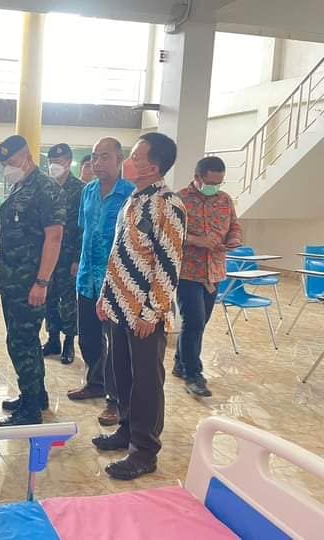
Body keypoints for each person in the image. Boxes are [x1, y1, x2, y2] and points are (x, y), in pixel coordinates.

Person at [93, 132, 186, 481]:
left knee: (146, 382)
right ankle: (127, 429)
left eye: (135, 156)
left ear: (153, 167)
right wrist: (106, 296)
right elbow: (118, 254)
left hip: (145, 314)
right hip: (119, 307)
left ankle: (144, 451)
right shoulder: (133, 199)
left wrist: (152, 312)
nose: (129, 162)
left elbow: (169, 265)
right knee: (122, 374)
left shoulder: (168, 205)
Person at [0, 135, 65, 427]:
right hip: (13, 281)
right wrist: (1, 274)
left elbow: (54, 236)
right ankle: (35, 395)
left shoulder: (44, 188)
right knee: (25, 342)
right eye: (4, 164)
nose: (7, 168)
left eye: (11, 161)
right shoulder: (20, 186)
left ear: (26, 156)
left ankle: (30, 411)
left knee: (21, 342)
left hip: (30, 283)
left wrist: (42, 282)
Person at [67, 138, 135, 429]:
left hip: (115, 283)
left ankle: (116, 401)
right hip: (87, 279)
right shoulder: (88, 191)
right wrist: (76, 263)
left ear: (119, 160)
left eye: (105, 157)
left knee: (116, 346)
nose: (98, 163)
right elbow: (83, 231)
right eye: (94, 157)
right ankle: (95, 383)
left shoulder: (130, 194)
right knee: (88, 337)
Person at [174, 156, 242, 397]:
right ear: (197, 177)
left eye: (219, 183)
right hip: (188, 272)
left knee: (200, 322)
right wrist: (197, 240)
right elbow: (168, 233)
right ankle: (193, 374)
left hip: (214, 271)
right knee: (193, 321)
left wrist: (233, 240)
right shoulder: (179, 199)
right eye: (211, 182)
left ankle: (180, 362)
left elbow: (234, 226)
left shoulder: (225, 200)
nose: (215, 187)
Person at [42, 144, 83, 365]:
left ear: (68, 162)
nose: (54, 166)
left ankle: (69, 341)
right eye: (51, 162)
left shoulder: (80, 189)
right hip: (48, 253)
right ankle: (53, 338)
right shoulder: (46, 187)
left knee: (67, 301)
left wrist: (77, 258)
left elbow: (82, 227)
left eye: (58, 161)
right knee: (48, 297)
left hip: (68, 255)